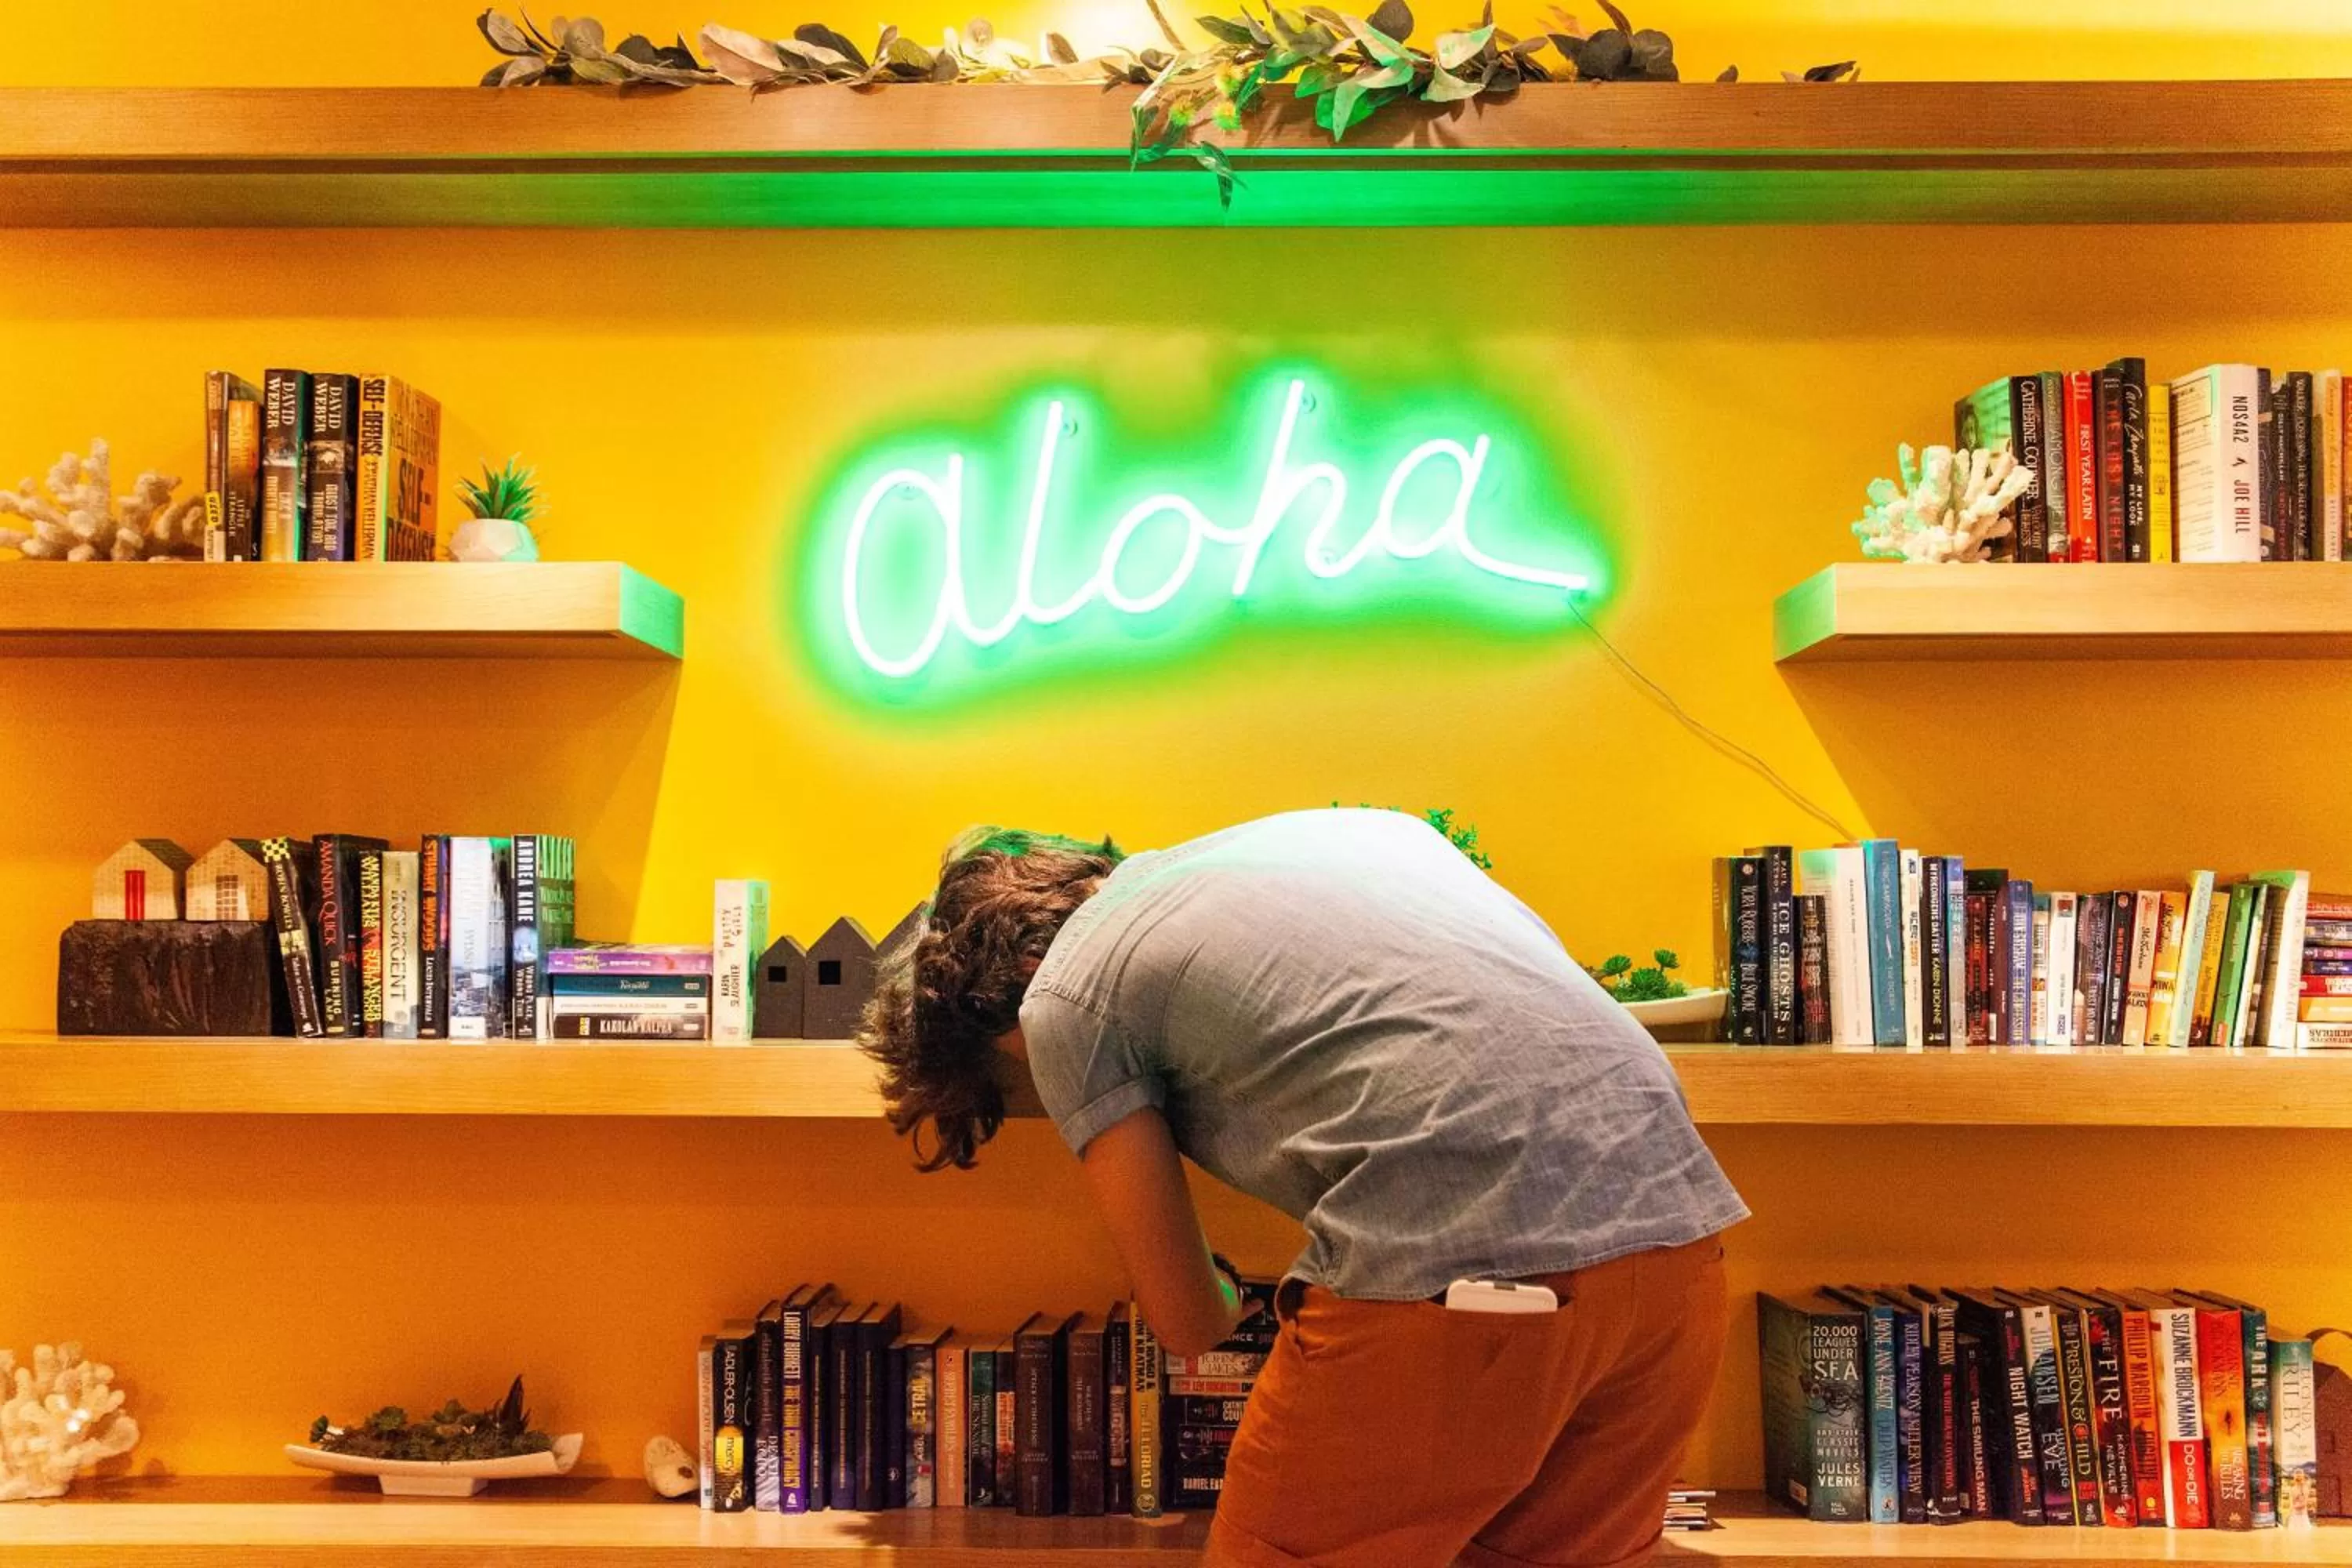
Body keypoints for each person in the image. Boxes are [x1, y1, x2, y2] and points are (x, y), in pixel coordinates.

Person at [858, 808, 1747, 1568]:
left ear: (991, 1001)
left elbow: (1188, 1319)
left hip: (1461, 1287)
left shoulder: (1062, 997)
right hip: (1680, 1250)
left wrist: (1227, 1287)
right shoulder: (1365, 832)